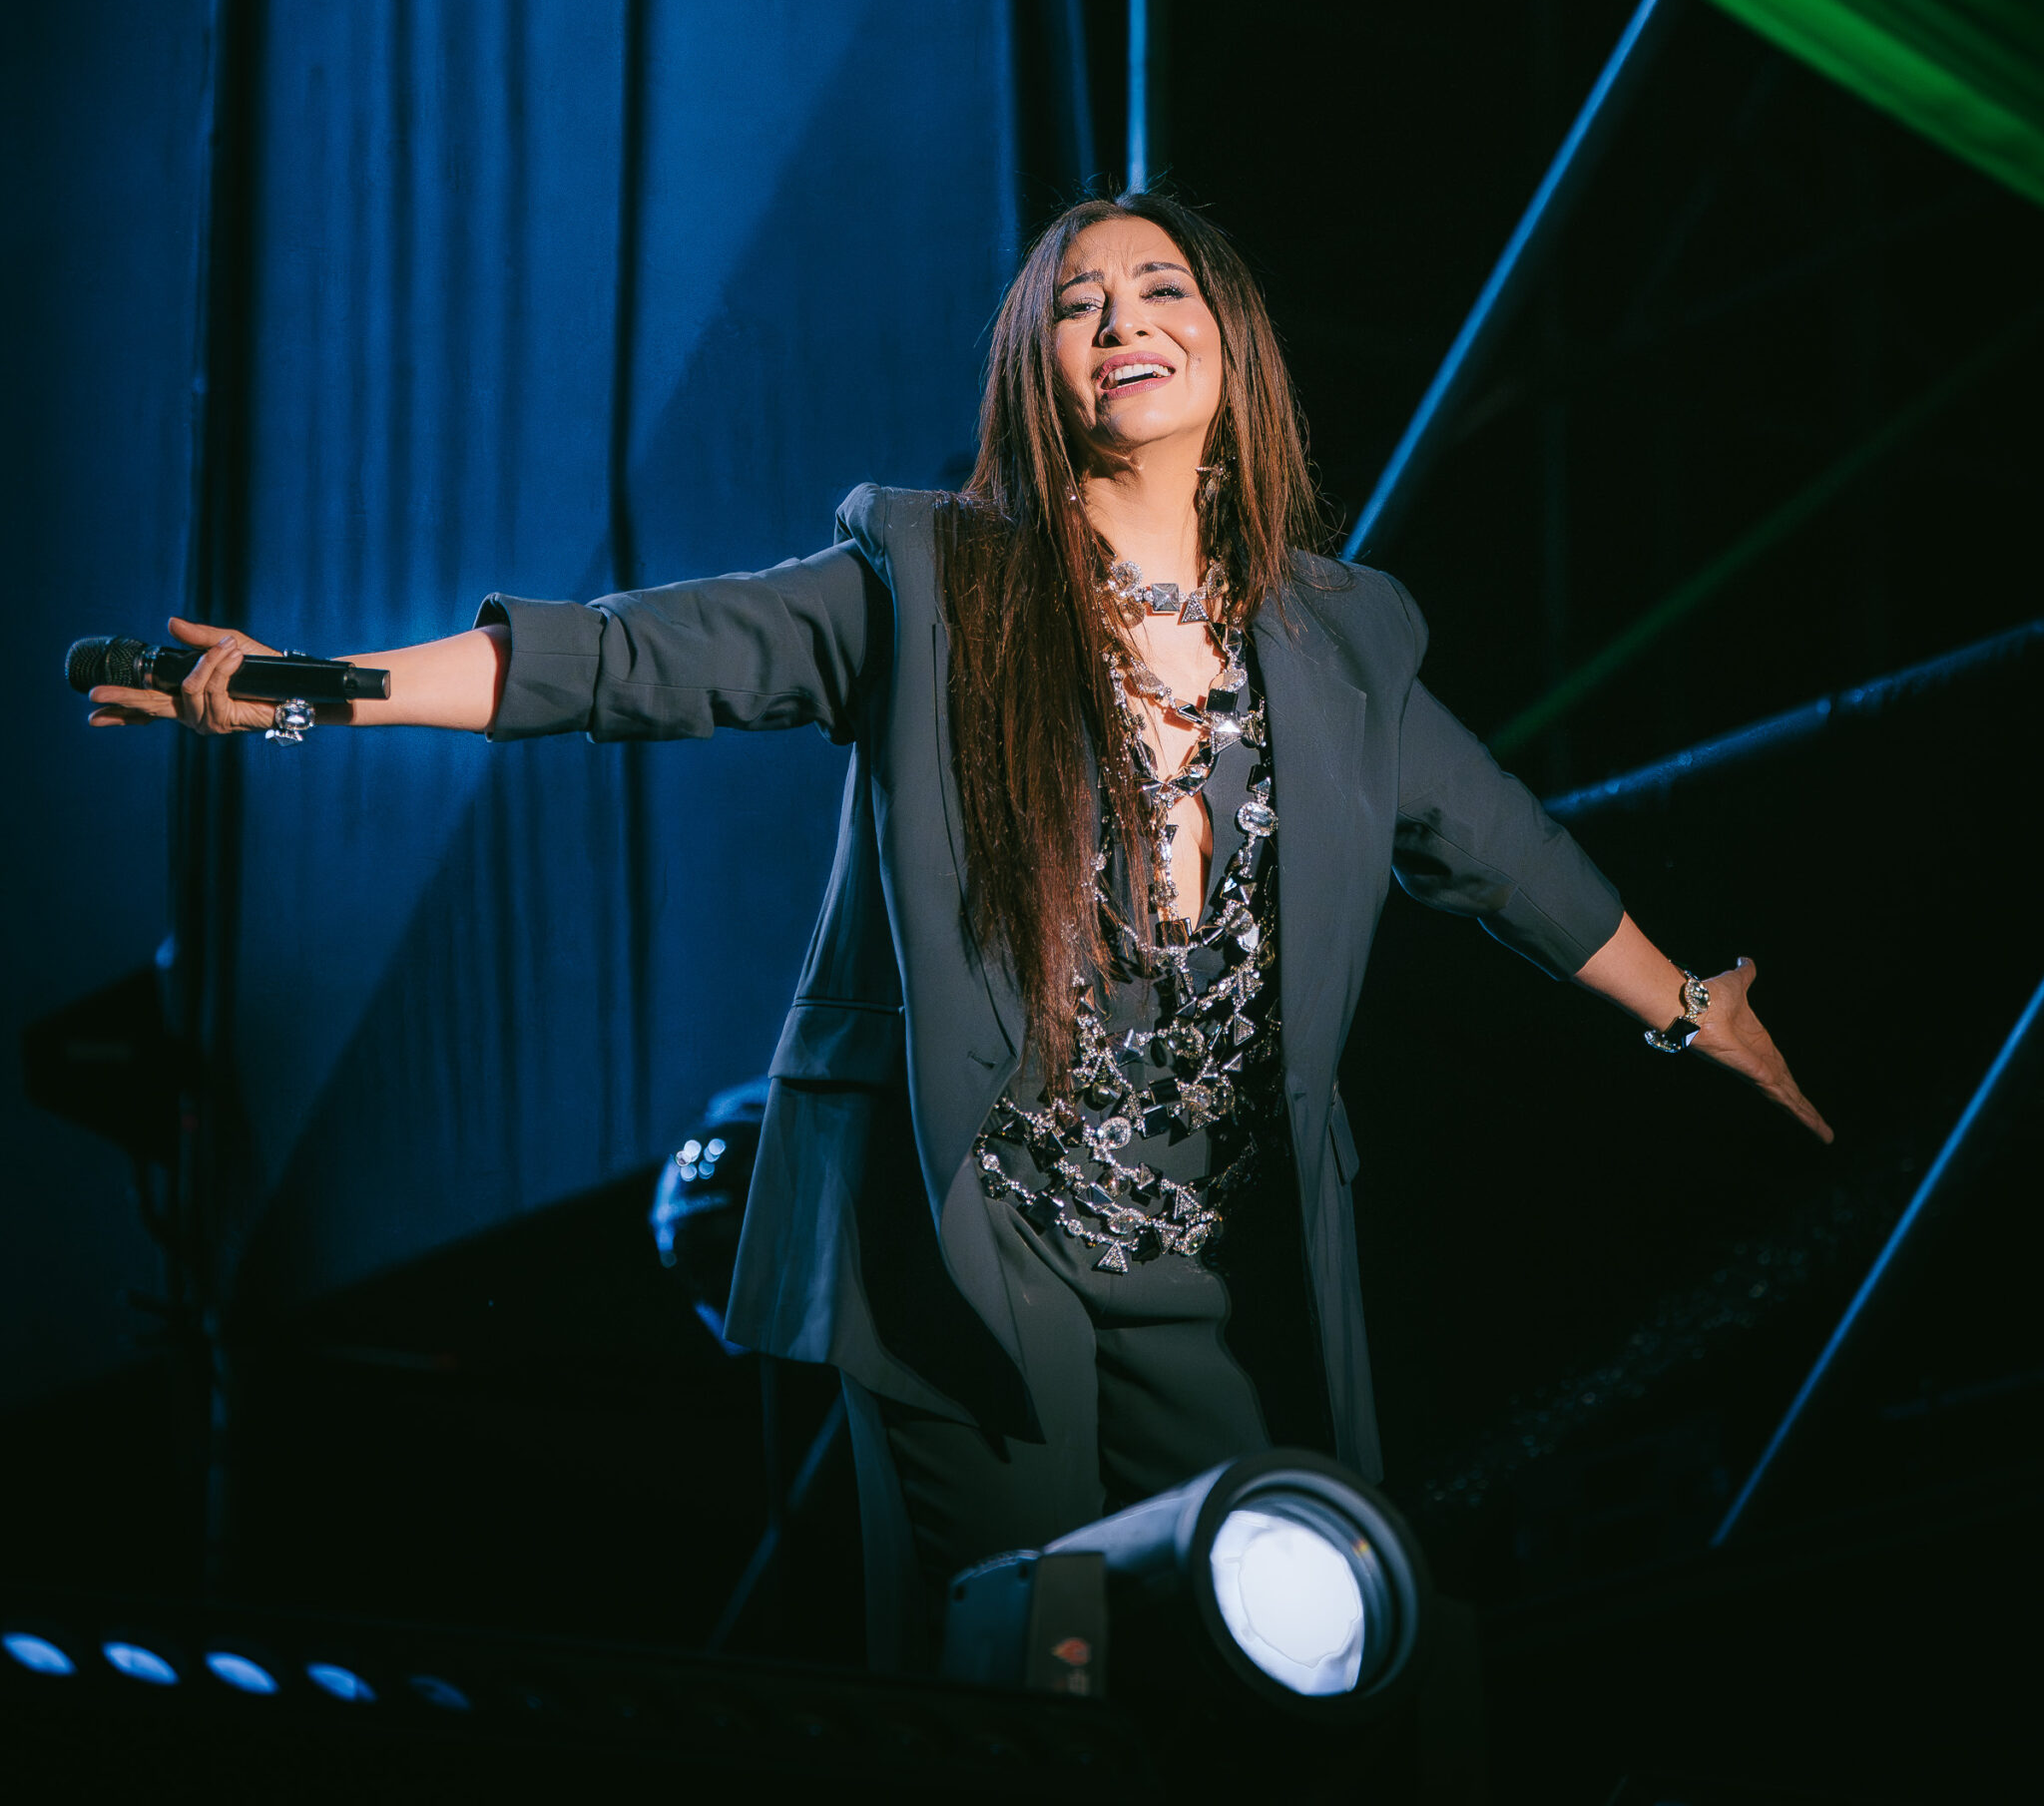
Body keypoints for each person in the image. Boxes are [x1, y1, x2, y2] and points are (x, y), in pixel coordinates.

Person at [89, 191, 1830, 1668]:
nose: (1123, 320)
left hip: (1212, 1261)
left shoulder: (1336, 640)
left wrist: (1694, 1006)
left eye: (1161, 289)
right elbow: (636, 658)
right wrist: (322, 685)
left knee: (1266, 1652)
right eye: (1078, 305)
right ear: (1035, 372)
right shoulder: (930, 581)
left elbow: (1496, 846)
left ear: (1231, 345)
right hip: (964, 1235)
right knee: (1023, 1659)